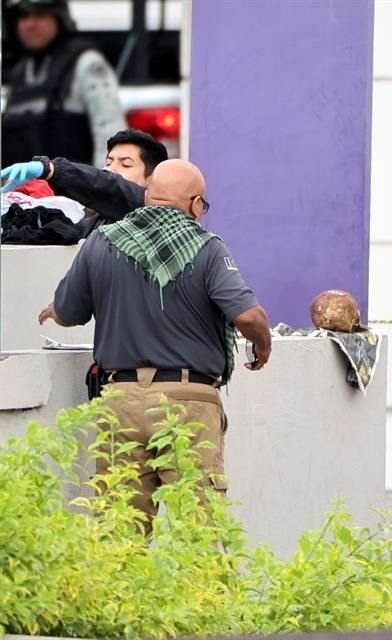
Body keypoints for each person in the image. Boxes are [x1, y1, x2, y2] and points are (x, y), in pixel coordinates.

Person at [38, 159, 272, 531]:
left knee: (118, 536)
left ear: (148, 196)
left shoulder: (101, 241)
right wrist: (263, 343)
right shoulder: (206, 248)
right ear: (196, 205)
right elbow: (247, 316)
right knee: (198, 533)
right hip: (187, 405)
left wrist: (55, 310)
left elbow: (67, 312)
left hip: (120, 401)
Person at [2, 0, 126, 167]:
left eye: (40, 15)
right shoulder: (19, 73)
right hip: (23, 190)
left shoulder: (86, 64)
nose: (30, 24)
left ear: (60, 18)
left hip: (75, 189)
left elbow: (110, 134)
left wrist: (104, 186)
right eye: (24, 16)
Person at [0, 128, 164, 234]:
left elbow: (110, 186)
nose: (110, 169)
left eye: (126, 164)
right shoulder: (93, 225)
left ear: (151, 180)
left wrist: (51, 170)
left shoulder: (156, 217)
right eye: (108, 162)